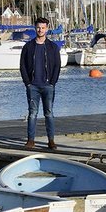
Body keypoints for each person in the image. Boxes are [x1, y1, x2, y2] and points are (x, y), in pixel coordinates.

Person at [19, 17, 62, 150]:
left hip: (48, 86)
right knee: (32, 114)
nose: (40, 30)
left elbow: (57, 66)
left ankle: (51, 141)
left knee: (49, 113)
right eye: (38, 27)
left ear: (47, 29)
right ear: (35, 28)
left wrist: (52, 82)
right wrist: (27, 83)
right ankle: (31, 140)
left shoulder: (53, 47)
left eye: (43, 28)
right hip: (33, 86)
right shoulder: (28, 47)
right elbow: (22, 66)